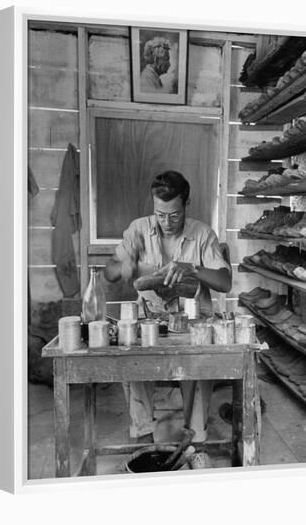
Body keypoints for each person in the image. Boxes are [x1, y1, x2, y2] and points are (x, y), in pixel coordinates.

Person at [105, 171, 232, 443]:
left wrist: (193, 269)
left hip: (193, 322)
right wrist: (122, 267)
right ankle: (144, 428)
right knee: (132, 354)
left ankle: (194, 431)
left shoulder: (202, 235)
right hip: (150, 319)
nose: (166, 222)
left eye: (174, 215)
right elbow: (109, 270)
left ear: (187, 204)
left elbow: (225, 282)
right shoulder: (138, 229)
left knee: (198, 367)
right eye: (160, 215)